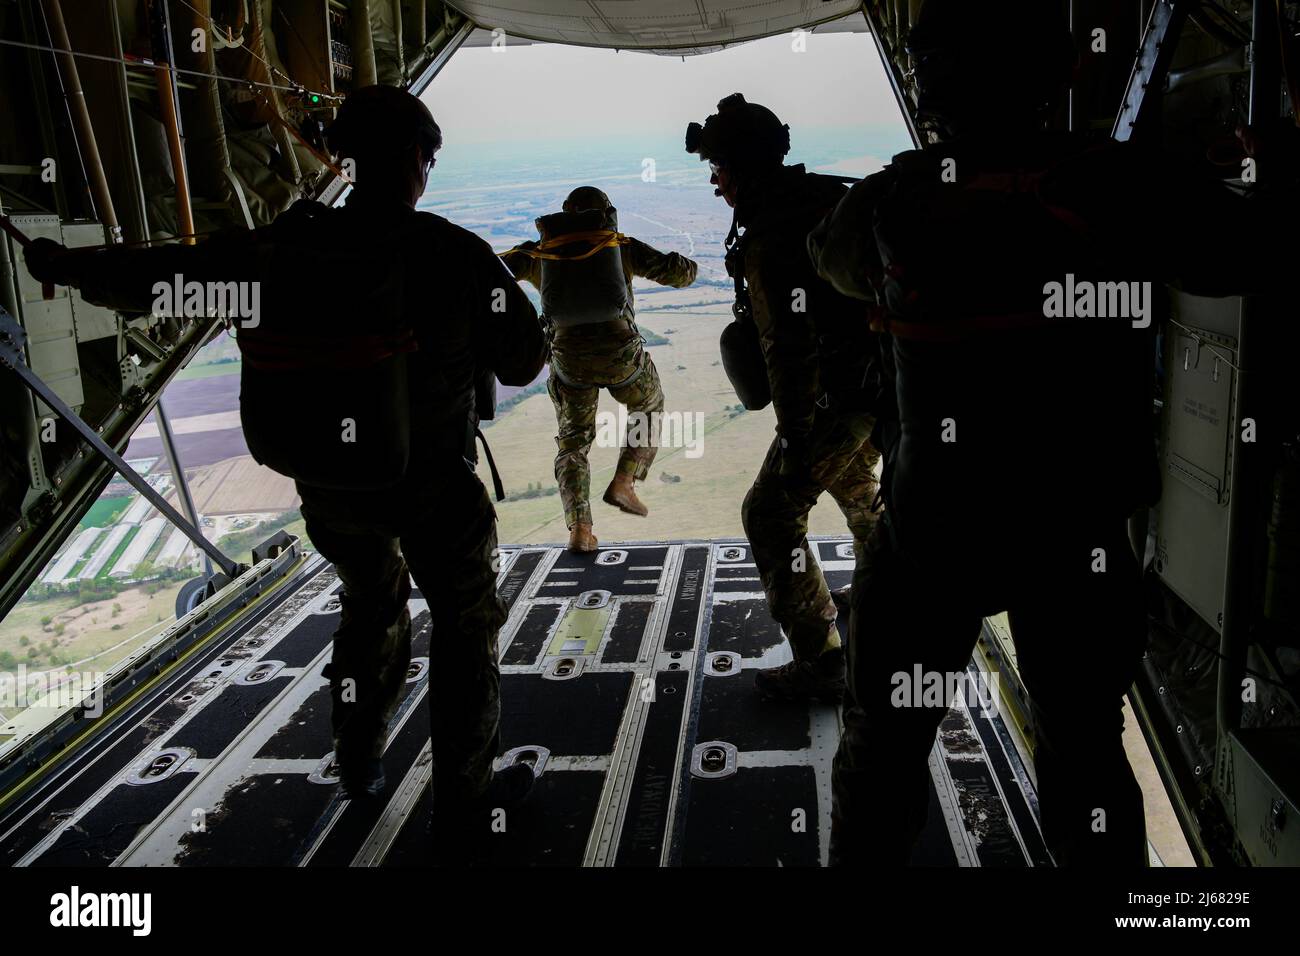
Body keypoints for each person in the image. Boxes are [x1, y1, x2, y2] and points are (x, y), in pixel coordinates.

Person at [809, 0, 1289, 865]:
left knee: (884, 748)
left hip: (934, 530)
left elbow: (835, 267)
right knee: (1084, 754)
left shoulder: (885, 204)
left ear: (930, 89)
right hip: (1076, 538)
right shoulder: (1129, 187)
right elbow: (1246, 254)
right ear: (1060, 75)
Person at [24, 86, 547, 846]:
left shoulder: (269, 254)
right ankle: (463, 800)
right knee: (465, 632)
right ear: (412, 160)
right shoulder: (448, 252)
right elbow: (527, 359)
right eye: (428, 158)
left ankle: (359, 758)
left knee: (369, 608)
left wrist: (63, 267)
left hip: (333, 489)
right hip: (433, 487)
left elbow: (158, 279)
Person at [685, 95, 884, 703]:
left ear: (738, 169)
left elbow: (788, 348)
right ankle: (882, 592)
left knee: (770, 514)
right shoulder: (828, 198)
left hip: (835, 399)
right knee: (857, 488)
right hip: (878, 391)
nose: (716, 186)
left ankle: (823, 664)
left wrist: (796, 434)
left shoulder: (774, 236)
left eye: (716, 171)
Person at [502, 186, 697, 552]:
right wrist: (691, 264)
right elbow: (679, 274)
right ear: (606, 213)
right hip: (621, 357)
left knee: (573, 444)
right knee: (649, 406)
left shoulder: (538, 252)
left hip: (568, 362)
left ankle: (579, 529)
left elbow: (489, 273)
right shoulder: (617, 245)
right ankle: (625, 481)